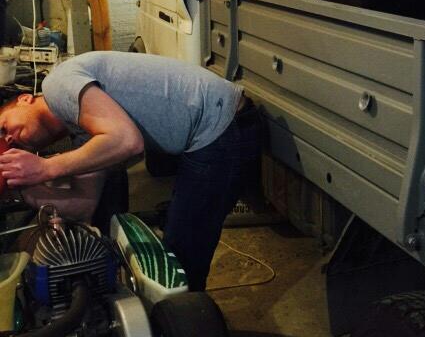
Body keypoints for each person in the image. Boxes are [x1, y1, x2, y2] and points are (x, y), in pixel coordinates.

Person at [0, 51, 263, 291]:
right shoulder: (84, 130)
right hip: (213, 130)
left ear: (24, 99)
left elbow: (128, 141)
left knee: (182, 256)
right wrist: (25, 190)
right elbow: (84, 205)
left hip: (222, 125)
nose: (9, 139)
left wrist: (45, 168)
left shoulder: (57, 84)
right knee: (179, 245)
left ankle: (188, 321)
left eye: (3, 127)